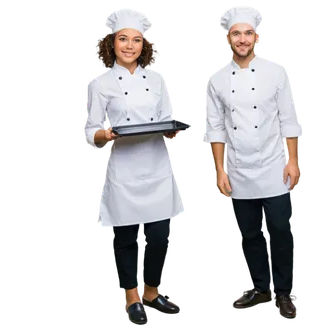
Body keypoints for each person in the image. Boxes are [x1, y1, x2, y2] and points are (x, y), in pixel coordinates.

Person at [83, 7, 184, 326]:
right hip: (124, 169)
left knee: (159, 237)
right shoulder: (100, 83)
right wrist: (105, 134)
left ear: (145, 45)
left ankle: (152, 291)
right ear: (111, 43)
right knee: (126, 237)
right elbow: (90, 130)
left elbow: (166, 119)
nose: (129, 45)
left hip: (155, 166)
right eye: (123, 39)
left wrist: (173, 129)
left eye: (136, 40)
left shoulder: (157, 81)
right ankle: (131, 296)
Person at [202, 5, 301, 319]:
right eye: (236, 33)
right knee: (250, 233)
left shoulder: (276, 71)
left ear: (256, 38)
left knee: (280, 231)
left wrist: (293, 161)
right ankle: (261, 287)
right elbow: (215, 128)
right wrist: (219, 170)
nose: (242, 39)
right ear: (227, 38)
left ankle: (285, 292)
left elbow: (289, 120)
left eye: (247, 33)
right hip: (238, 168)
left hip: (275, 166)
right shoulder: (216, 80)